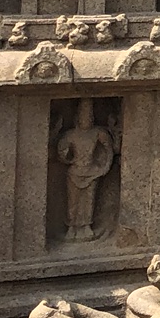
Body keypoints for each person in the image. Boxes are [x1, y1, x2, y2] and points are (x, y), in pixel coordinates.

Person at [54, 100, 114, 243]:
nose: (86, 119)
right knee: (73, 201)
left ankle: (87, 225)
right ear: (77, 118)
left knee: (88, 200)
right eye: (83, 116)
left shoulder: (97, 133)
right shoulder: (71, 135)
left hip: (92, 171)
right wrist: (66, 156)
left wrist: (106, 166)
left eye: (89, 116)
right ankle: (72, 227)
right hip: (75, 171)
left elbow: (109, 148)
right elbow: (61, 152)